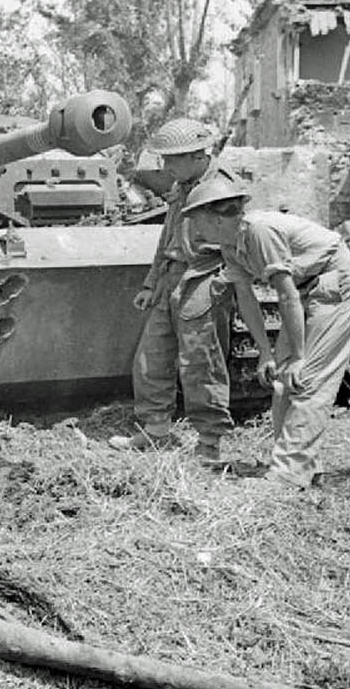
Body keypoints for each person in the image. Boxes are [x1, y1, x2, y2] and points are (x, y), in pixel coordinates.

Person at [180, 177, 350, 488]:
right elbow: (246, 296)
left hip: (338, 285)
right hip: (308, 291)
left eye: (196, 219)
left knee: (307, 379)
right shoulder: (230, 244)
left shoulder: (259, 231)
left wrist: (297, 356)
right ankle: (302, 466)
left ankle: (288, 474)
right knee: (284, 383)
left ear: (215, 218)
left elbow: (285, 295)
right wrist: (265, 354)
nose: (194, 227)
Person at [109, 118, 236, 462]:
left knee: (201, 363)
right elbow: (167, 238)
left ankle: (209, 443)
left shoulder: (222, 188)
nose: (166, 167)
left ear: (198, 156)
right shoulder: (183, 184)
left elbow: (237, 241)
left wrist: (225, 281)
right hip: (171, 278)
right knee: (151, 357)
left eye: (173, 159)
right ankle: (156, 432)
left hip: (205, 277)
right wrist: (151, 283)